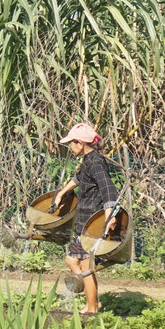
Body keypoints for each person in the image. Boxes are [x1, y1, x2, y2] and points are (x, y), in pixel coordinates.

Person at [53, 122, 119, 315]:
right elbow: (79, 178)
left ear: (80, 143)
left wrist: (110, 214)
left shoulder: (96, 162)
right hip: (84, 222)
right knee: (74, 261)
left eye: (71, 143)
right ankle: (92, 302)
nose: (70, 147)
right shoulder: (88, 160)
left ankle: (92, 307)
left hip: (92, 223)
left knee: (83, 265)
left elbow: (108, 187)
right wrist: (61, 193)